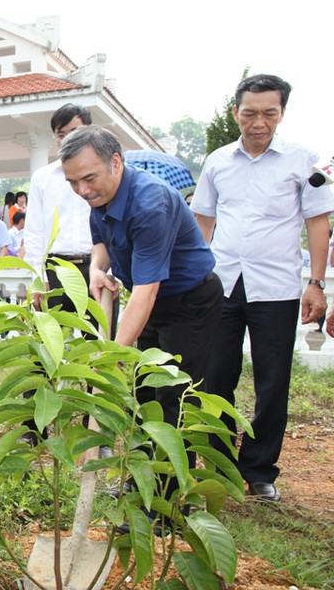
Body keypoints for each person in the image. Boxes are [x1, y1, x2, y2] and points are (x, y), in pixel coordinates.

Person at [61, 126, 223, 529]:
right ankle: (141, 482)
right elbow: (102, 243)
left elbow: (147, 292)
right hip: (145, 301)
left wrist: (112, 353)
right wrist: (98, 269)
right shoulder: (98, 196)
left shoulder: (151, 203)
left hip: (187, 301)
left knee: (173, 397)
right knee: (142, 394)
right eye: (73, 182)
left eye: (89, 178)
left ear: (115, 162)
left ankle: (168, 506)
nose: (82, 189)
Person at [192, 74, 334, 503]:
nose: (259, 122)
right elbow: (202, 222)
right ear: (236, 112)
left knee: (273, 381)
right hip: (224, 284)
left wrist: (316, 284)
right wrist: (195, 278)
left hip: (276, 288)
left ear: (282, 114)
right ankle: (219, 467)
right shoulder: (217, 161)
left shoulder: (301, 161)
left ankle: (258, 470)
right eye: (250, 112)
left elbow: (317, 223)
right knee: (215, 378)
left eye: (269, 113)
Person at [22, 103, 94, 312]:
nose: (68, 139)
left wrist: (110, 272)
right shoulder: (43, 178)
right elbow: (34, 231)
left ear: (90, 131)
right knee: (55, 340)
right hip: (55, 269)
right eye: (61, 134)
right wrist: (39, 278)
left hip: (95, 267)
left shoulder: (103, 175)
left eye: (75, 132)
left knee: (100, 341)